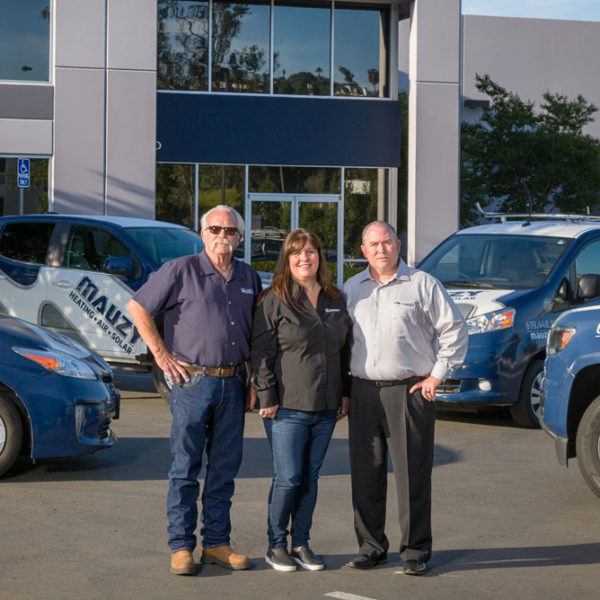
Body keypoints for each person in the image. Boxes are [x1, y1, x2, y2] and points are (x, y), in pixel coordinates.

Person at [127, 205, 261, 576]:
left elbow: (253, 333)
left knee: (224, 469)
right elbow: (137, 307)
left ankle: (216, 543)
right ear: (202, 234)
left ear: (240, 237)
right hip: (192, 383)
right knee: (185, 467)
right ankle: (181, 546)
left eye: (230, 230)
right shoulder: (180, 270)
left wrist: (252, 379)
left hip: (234, 383)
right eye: (215, 228)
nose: (223, 235)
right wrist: (162, 354)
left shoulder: (248, 276)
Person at [343, 221, 467, 576]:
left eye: (386, 242)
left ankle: (415, 551)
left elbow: (454, 329)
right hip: (364, 390)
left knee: (412, 473)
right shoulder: (352, 289)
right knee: (366, 473)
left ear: (398, 245)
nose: (381, 249)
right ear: (363, 249)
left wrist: (437, 375)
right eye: (373, 243)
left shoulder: (422, 284)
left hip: (410, 390)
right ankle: (370, 547)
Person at [251, 228, 352, 572]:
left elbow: (345, 350)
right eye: (297, 252)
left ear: (320, 257)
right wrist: (266, 395)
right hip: (286, 407)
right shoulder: (273, 299)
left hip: (326, 408)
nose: (304, 258)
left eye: (310, 251)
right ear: (287, 259)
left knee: (310, 477)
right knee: (289, 477)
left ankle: (301, 543)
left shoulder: (335, 298)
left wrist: (345, 394)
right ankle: (276, 544)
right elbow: (262, 353)